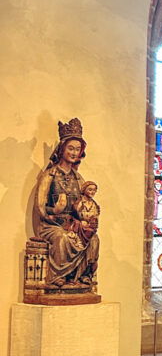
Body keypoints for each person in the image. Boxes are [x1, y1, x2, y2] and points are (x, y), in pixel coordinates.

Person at [34, 118, 100, 289]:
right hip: (51, 224)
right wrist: (54, 209)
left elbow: (87, 203)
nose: (73, 152)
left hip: (74, 224)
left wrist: (89, 217)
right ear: (62, 148)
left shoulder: (79, 179)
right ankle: (56, 277)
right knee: (62, 238)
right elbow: (40, 205)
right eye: (71, 148)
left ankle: (82, 277)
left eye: (77, 149)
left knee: (93, 239)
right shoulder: (50, 175)